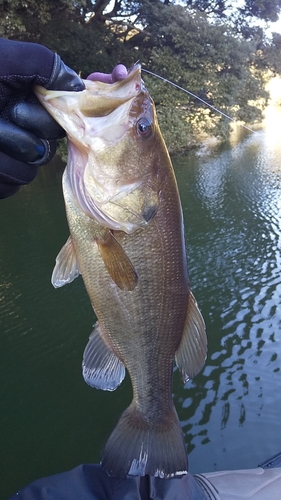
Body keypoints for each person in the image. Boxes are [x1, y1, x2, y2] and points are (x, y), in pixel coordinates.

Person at [1, 38, 209, 500]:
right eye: (146, 127)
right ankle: (154, 418)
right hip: (101, 231)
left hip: (104, 241)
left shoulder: (106, 219)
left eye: (142, 128)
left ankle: (152, 411)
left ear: (146, 201)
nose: (140, 119)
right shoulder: (106, 220)